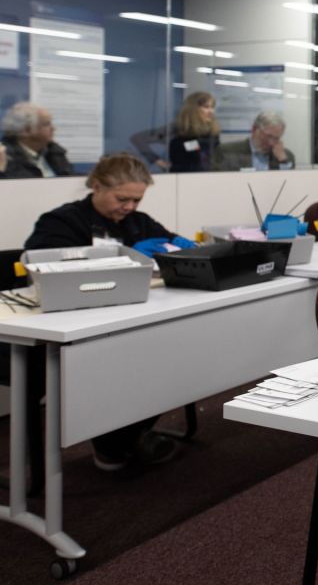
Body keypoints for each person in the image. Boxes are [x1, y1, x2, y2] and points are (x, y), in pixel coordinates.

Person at [25, 153, 195, 471]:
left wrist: (179, 249)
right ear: (97, 186)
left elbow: (173, 244)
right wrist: (123, 261)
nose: (129, 207)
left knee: (175, 351)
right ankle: (114, 443)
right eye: (122, 199)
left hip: (129, 319)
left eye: (136, 200)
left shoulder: (138, 222)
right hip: (74, 326)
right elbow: (44, 270)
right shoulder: (62, 222)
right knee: (135, 359)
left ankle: (127, 435)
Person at [2, 102, 73, 178]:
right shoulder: (6, 157)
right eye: (46, 124)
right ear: (26, 130)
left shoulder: (55, 152)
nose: (54, 128)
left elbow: (70, 178)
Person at [213, 111, 295, 171]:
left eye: (276, 138)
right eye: (268, 136)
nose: (271, 142)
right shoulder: (228, 152)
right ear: (254, 129)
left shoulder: (286, 156)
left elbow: (289, 185)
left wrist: (283, 161)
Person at [168, 91, 221, 172]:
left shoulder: (213, 136)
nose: (211, 111)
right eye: (206, 107)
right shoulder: (179, 140)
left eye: (212, 107)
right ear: (193, 110)